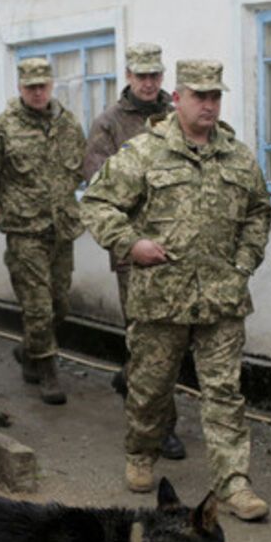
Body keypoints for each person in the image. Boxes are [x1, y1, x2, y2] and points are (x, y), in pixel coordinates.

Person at [82, 60, 271, 518]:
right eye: (199, 96)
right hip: (161, 299)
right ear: (177, 98)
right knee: (150, 387)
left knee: (225, 393)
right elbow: (97, 202)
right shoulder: (145, 152)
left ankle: (233, 483)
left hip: (221, 300)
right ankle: (141, 452)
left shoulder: (238, 156)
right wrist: (131, 243)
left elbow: (258, 213)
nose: (209, 104)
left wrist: (243, 263)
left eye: (215, 97)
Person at [82, 42, 187, 460]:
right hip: (133, 248)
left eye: (155, 75)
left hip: (180, 246)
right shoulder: (109, 123)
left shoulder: (178, 113)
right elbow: (97, 182)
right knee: (149, 340)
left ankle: (132, 381)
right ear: (127, 76)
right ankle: (162, 426)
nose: (148, 83)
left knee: (177, 339)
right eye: (140, 75)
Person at [0, 57, 85, 405]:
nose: (38, 93)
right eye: (30, 87)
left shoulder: (68, 124)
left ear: (51, 85)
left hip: (61, 228)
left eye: (43, 85)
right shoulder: (2, 129)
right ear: (20, 88)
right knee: (37, 307)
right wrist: (2, 202)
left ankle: (29, 352)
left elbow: (78, 170)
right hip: (25, 230)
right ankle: (47, 371)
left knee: (59, 305)